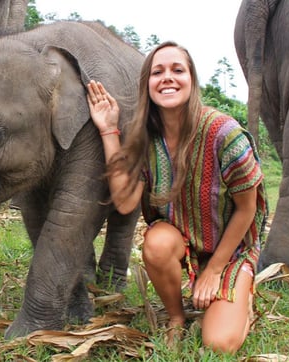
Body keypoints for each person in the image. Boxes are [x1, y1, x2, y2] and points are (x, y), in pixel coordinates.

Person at [86, 41, 267, 354]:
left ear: (191, 81)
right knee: (156, 242)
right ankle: (176, 318)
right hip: (183, 241)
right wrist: (109, 130)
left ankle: (241, 292)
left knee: (219, 344)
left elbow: (247, 209)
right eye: (158, 72)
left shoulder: (225, 133)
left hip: (232, 249)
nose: (167, 77)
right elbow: (126, 202)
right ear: (148, 85)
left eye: (177, 70)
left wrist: (213, 271)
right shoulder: (146, 138)